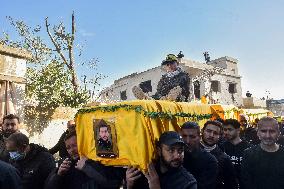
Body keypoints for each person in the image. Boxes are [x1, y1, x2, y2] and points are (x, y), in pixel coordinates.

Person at [45, 131, 124, 189]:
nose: (71, 150)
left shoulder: (98, 160)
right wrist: (58, 175)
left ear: (83, 144)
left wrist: (87, 167)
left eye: (74, 145)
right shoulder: (65, 164)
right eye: (68, 148)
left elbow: (114, 184)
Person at [125, 131, 197, 189]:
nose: (177, 156)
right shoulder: (146, 171)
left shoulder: (188, 182)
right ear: (159, 151)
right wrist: (129, 185)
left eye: (180, 150)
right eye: (171, 150)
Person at [241, 117, 284, 189]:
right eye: (264, 131)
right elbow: (245, 183)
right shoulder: (248, 154)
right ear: (258, 133)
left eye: (272, 131)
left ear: (278, 133)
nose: (268, 136)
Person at [200, 120, 238, 189]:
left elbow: (231, 185)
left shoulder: (224, 159)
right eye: (208, 131)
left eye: (215, 133)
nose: (211, 135)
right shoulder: (190, 152)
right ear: (202, 131)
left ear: (220, 136)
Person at [180, 122, 218, 189]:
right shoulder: (176, 157)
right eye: (184, 136)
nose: (187, 141)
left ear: (199, 138)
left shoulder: (210, 161)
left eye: (192, 137)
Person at [221, 119, 250, 186]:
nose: (226, 132)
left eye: (230, 129)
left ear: (238, 130)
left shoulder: (248, 148)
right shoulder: (221, 147)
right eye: (225, 130)